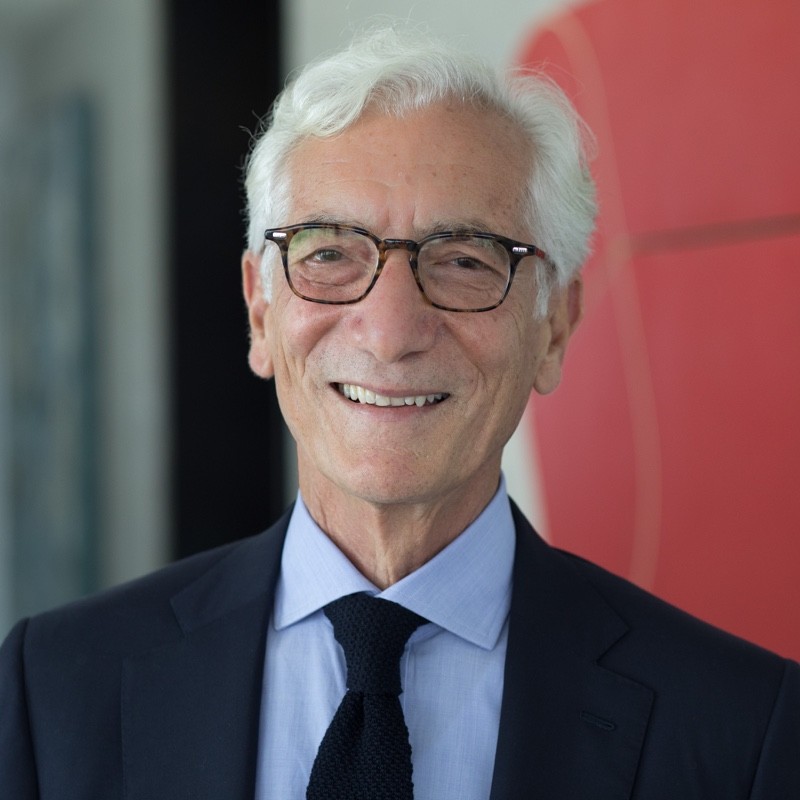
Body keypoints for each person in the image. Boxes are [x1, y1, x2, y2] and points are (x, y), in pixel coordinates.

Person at [1, 25, 798, 800]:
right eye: (328, 253)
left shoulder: (742, 732)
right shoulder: (51, 689)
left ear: (553, 326)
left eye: (463, 261)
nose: (389, 333)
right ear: (260, 311)